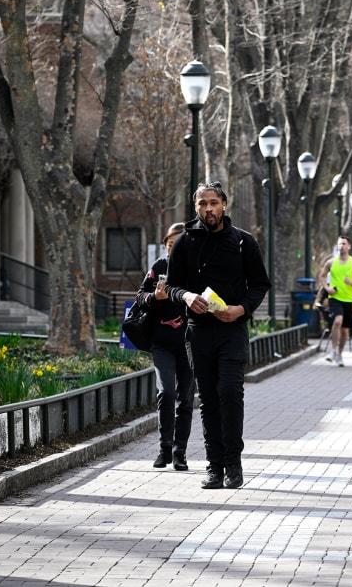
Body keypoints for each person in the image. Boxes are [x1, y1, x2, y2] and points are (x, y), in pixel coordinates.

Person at [165, 182, 271, 490]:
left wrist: (241, 309)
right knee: (209, 399)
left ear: (224, 204)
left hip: (232, 331)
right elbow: (171, 286)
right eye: (202, 204)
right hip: (198, 333)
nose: (208, 209)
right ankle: (214, 467)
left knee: (229, 392)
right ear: (195, 207)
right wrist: (185, 296)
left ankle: (233, 465)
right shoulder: (185, 243)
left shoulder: (243, 242)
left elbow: (260, 284)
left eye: (213, 203)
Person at [135, 223, 194, 471]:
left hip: (190, 343)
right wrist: (153, 298)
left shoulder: (196, 269)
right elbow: (140, 297)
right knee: (166, 392)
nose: (175, 247)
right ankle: (164, 449)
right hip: (162, 343)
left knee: (186, 399)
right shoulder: (159, 267)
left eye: (179, 243)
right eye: (171, 244)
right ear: (166, 245)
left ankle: (180, 453)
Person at [319, 236, 352, 366]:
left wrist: (351, 282)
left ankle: (340, 354)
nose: (341, 246)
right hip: (335, 298)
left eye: (344, 244)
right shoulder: (331, 262)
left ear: (349, 246)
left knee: (345, 330)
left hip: (349, 300)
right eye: (339, 244)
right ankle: (332, 351)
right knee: (337, 321)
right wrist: (327, 288)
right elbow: (321, 276)